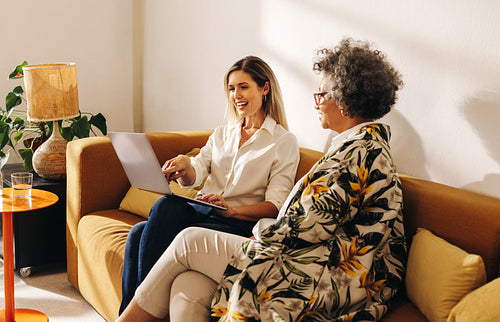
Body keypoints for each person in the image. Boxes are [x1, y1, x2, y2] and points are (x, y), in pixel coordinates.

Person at [117, 38, 407, 322]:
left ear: (344, 101)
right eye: (231, 88)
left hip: (318, 270)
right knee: (188, 281)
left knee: (185, 237)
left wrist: (257, 230)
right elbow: (312, 219)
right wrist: (186, 166)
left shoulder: (357, 152)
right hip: (297, 248)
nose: (316, 102)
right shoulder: (357, 147)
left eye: (321, 95)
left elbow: (304, 225)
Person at [118, 56, 300, 314]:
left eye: (243, 87)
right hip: (203, 210)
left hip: (236, 222)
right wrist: (184, 165)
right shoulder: (223, 133)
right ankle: (129, 313)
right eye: (231, 88)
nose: (236, 94)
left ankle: (136, 315)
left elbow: (276, 206)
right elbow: (196, 172)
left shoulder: (283, 142)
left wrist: (233, 210)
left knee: (166, 207)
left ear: (265, 88)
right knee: (138, 232)